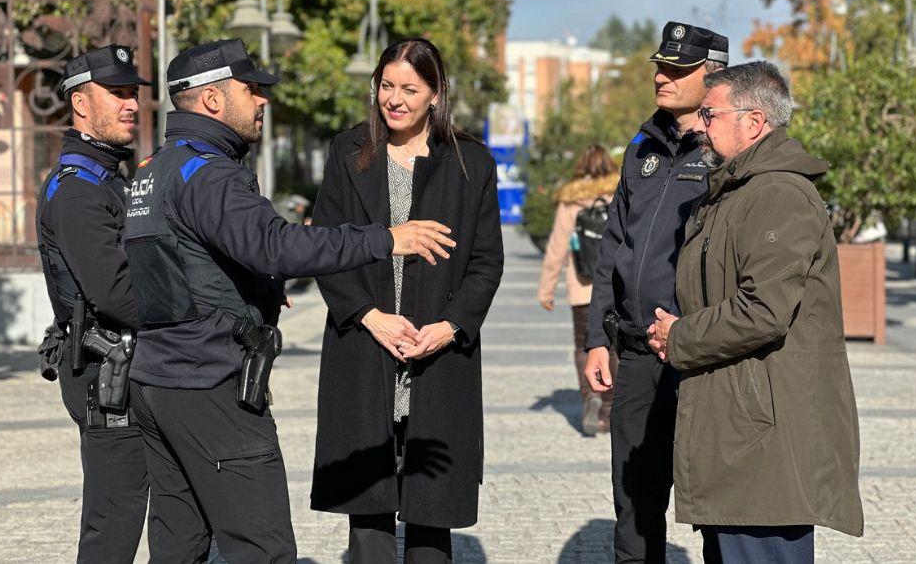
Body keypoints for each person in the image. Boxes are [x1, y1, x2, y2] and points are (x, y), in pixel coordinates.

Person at [122, 38, 457, 563]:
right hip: (208, 383)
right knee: (264, 548)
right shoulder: (209, 174)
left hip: (157, 381)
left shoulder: (155, 168)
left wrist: (263, 288)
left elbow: (182, 268)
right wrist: (387, 237)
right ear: (213, 99)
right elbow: (274, 244)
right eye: (251, 89)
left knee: (179, 544)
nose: (263, 101)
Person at [647, 61, 863, 562]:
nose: (700, 125)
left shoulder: (777, 195)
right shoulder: (737, 192)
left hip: (764, 434)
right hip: (737, 426)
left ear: (755, 121)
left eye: (710, 113)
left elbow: (763, 310)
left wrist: (679, 336)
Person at [310, 38, 504, 563]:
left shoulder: (472, 164)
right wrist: (370, 317)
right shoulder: (349, 152)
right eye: (386, 86)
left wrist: (449, 327)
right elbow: (325, 247)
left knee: (431, 511)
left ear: (436, 95)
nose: (394, 99)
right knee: (367, 513)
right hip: (365, 346)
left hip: (438, 356)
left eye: (409, 89)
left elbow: (487, 263)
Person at [582, 22, 729, 563]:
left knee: (716, 504)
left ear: (711, 76)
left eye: (677, 69)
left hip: (700, 358)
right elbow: (612, 245)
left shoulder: (725, 151)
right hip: (639, 353)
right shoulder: (641, 144)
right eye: (659, 66)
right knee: (634, 504)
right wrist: (597, 336)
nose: (661, 77)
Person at [35, 44, 151, 563]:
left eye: (133, 94)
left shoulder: (106, 177)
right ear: (81, 103)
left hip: (122, 366)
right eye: (118, 93)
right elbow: (118, 295)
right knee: (113, 523)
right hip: (105, 374)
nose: (131, 104)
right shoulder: (80, 190)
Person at [537, 145, 620, 435]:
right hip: (615, 285)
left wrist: (546, 290)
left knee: (583, 345)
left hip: (582, 288)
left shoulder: (572, 198)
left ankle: (590, 398)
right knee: (612, 345)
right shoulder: (621, 191)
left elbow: (558, 247)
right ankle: (609, 408)